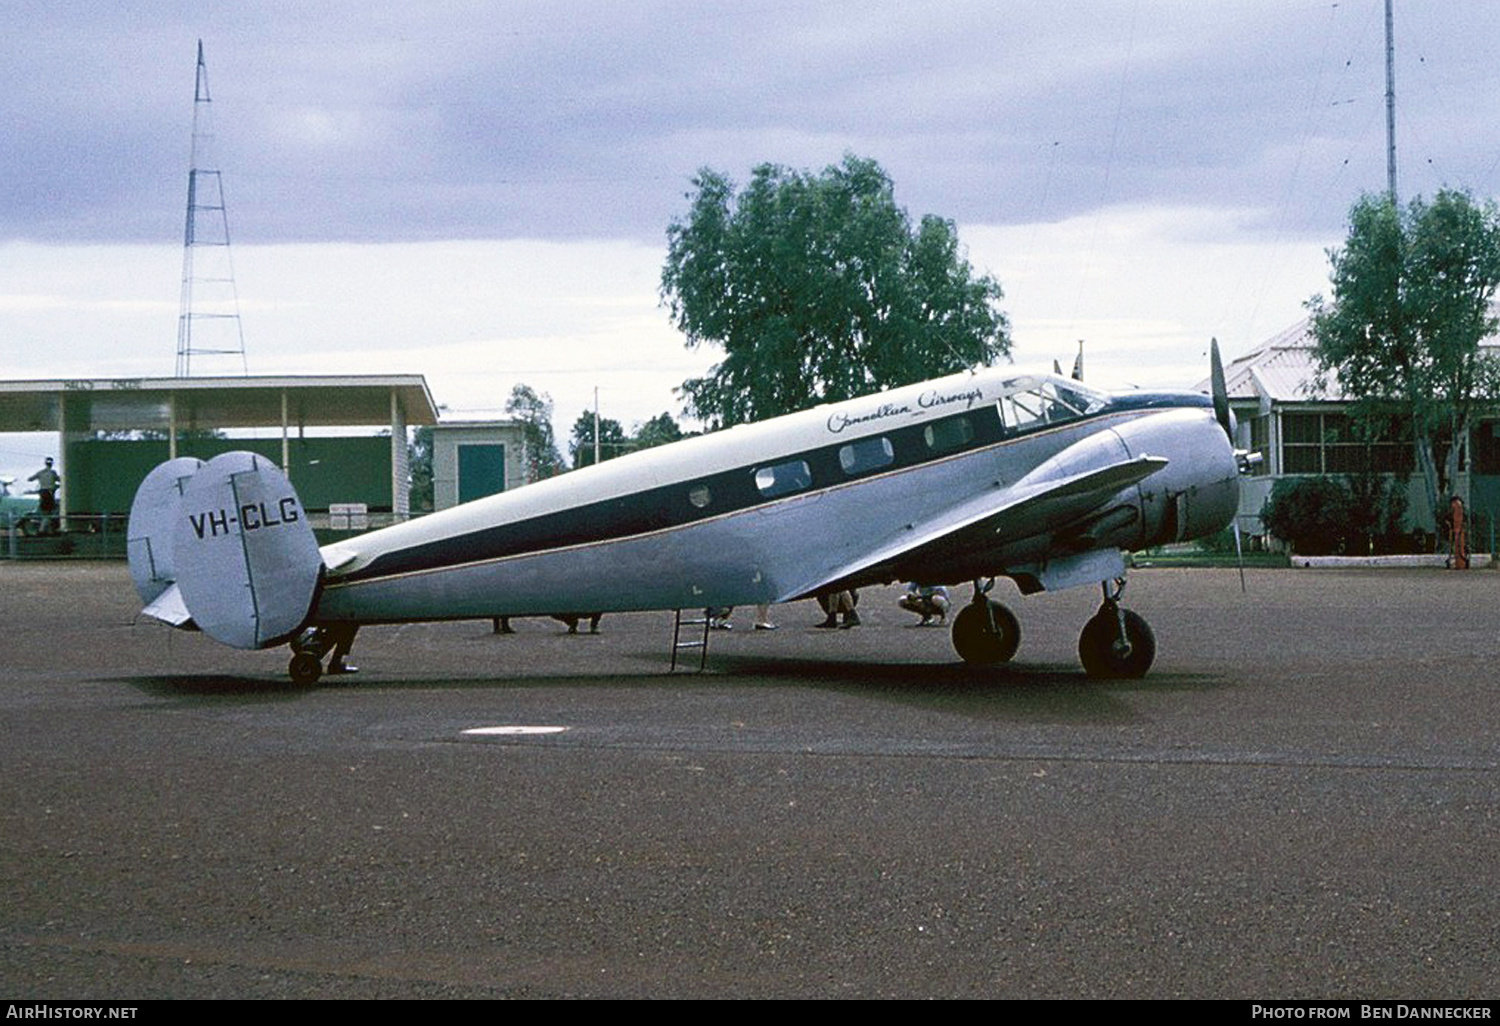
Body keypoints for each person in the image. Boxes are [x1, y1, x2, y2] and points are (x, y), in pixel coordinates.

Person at [28, 457, 59, 535]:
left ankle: (48, 530)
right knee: (48, 513)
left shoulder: (41, 472)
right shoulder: (53, 473)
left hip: (42, 493)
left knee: (46, 513)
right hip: (49, 494)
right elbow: (60, 480)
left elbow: (30, 479)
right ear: (52, 464)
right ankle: (42, 530)